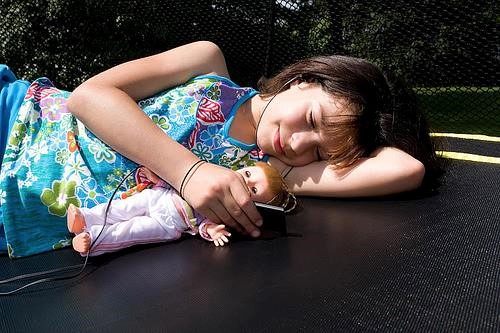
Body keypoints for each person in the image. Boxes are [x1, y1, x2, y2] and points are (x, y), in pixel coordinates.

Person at [0, 41, 441, 258]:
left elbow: (406, 169)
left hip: (19, 212)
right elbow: (88, 96)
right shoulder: (208, 65)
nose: (300, 143)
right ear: (303, 81)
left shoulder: (265, 172)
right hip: (19, 120)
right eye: (311, 120)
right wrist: (188, 172)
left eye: (321, 153)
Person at [66, 162, 294, 256]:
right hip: (158, 197)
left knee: (131, 231)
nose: (245, 183)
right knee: (121, 208)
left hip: (169, 225)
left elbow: (205, 223)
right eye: (247, 174)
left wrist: (212, 231)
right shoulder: (211, 172)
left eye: (253, 191)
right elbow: (181, 180)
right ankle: (85, 217)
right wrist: (157, 178)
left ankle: (91, 240)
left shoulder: (225, 209)